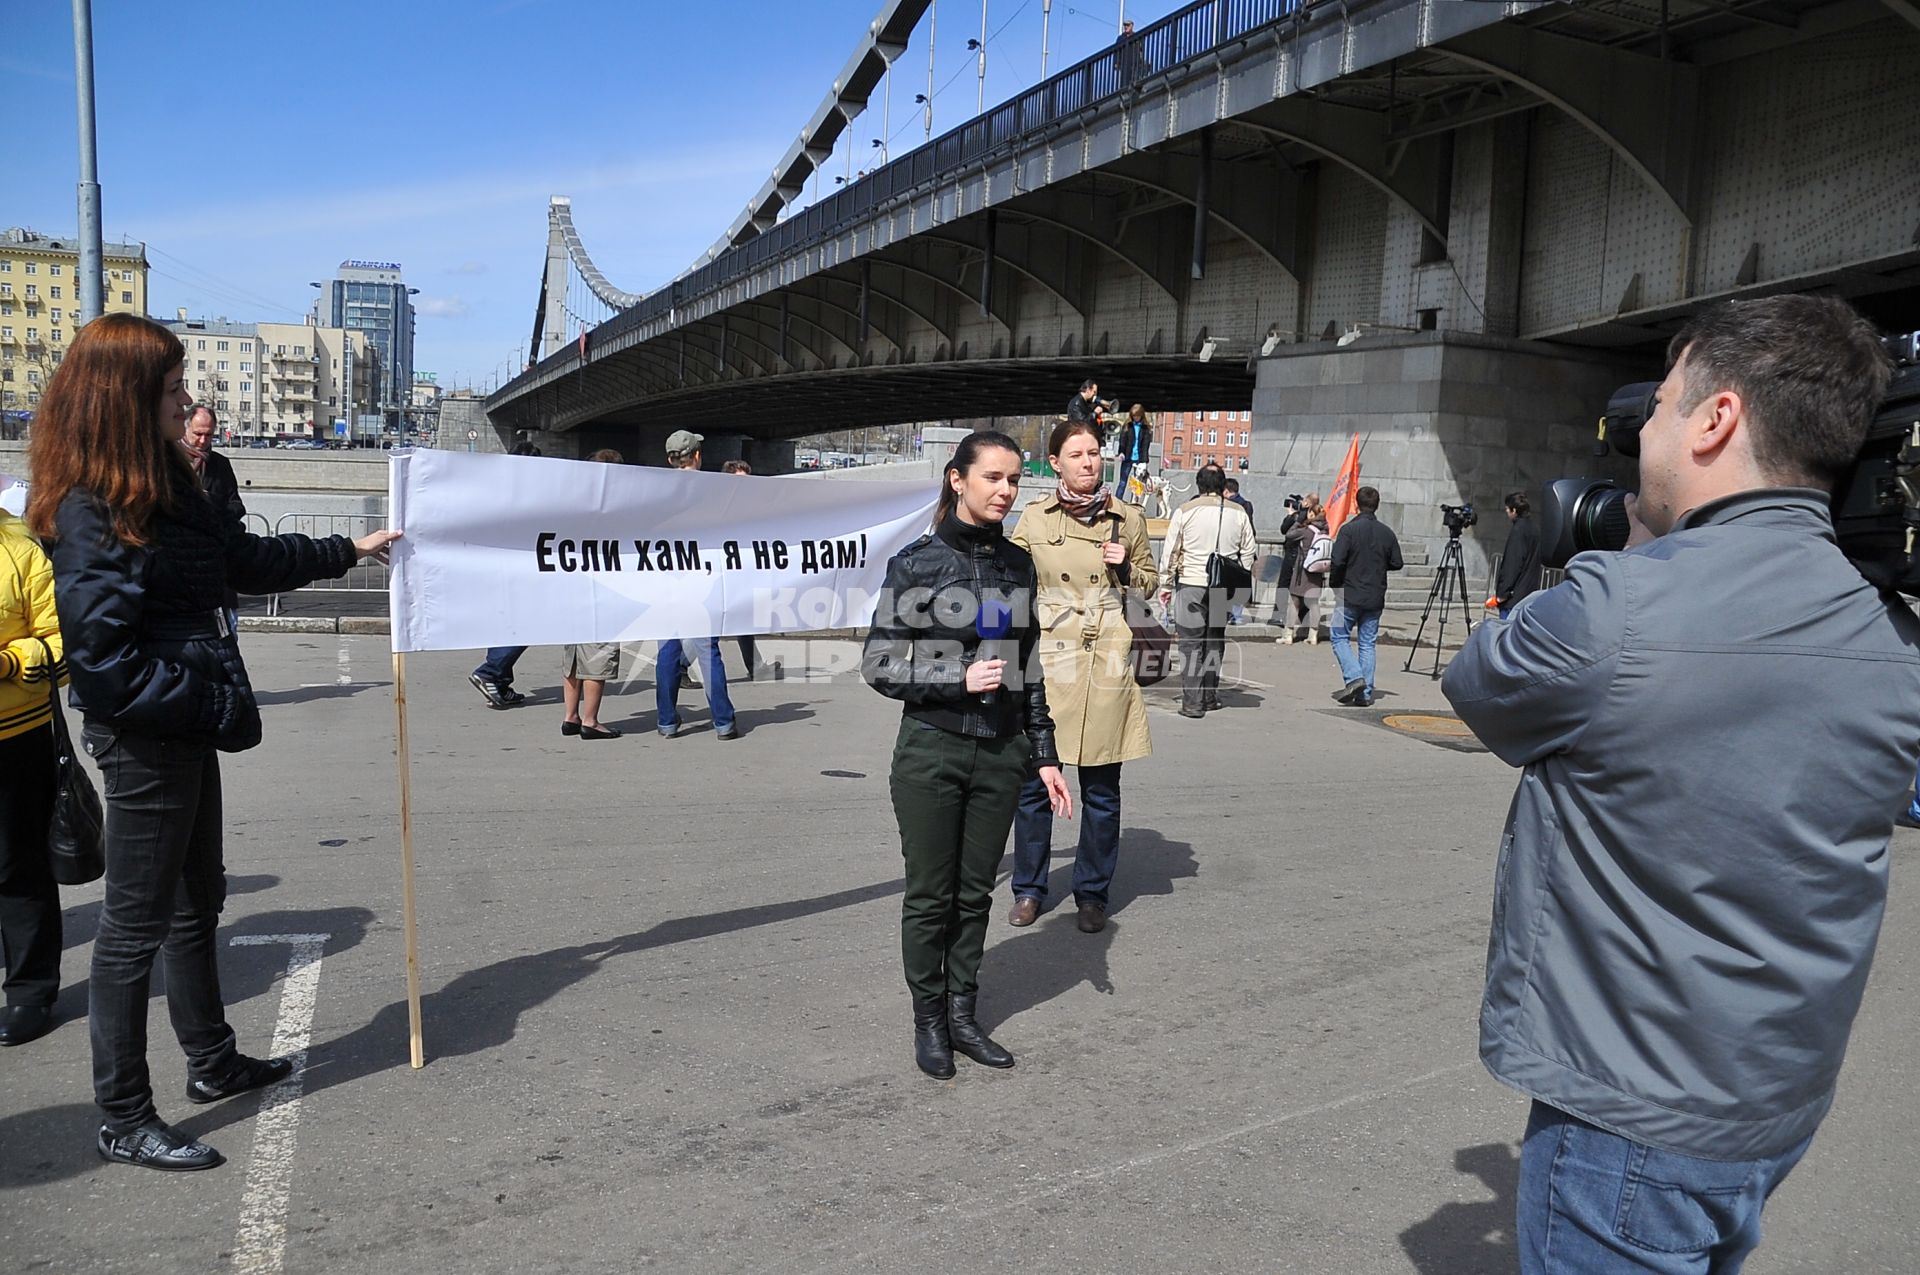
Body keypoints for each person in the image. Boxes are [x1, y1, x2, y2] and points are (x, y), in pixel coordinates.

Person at [1442, 294, 1920, 1273]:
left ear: (1715, 420)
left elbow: (1481, 681)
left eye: (1658, 405)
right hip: (1776, 1096)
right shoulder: (1890, 632)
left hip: (1634, 1111)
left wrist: (1634, 543)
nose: (1641, 431)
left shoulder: (1619, 609)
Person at [28, 313, 399, 1172]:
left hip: (185, 724)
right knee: (132, 930)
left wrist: (352, 547)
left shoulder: (165, 484)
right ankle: (122, 1114)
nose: (188, 400)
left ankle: (211, 1059)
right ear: (124, 399)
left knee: (198, 903)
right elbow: (102, 668)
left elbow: (244, 558)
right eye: (171, 388)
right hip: (150, 736)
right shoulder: (96, 506)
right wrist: (199, 697)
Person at [863, 430, 1072, 1078]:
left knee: (975, 893)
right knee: (932, 893)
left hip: (1002, 753)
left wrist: (1043, 752)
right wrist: (955, 679)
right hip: (932, 749)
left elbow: (1030, 665)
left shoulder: (1016, 564)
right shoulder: (917, 563)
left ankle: (962, 1013)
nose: (1006, 490)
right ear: (958, 479)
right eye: (994, 478)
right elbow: (878, 662)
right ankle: (928, 1020)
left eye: (1014, 479)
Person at [1008, 419, 1157, 935]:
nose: (1089, 462)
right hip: (1051, 657)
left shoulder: (1127, 517)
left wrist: (1126, 568)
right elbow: (1012, 583)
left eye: (1094, 452)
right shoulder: (1033, 517)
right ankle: (1028, 888)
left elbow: (1150, 585)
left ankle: (1091, 892)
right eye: (1077, 454)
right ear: (1056, 463)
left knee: (1101, 788)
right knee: (1034, 787)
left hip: (1107, 657)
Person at [0, 505, 65, 1047]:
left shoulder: (20, 547)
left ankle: (30, 989)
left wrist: (8, 663)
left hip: (14, 735)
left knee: (17, 865)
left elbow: (62, 647)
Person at [657, 430, 737, 739]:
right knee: (707, 650)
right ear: (698, 456)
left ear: (670, 459)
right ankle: (723, 721)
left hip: (667, 577)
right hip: (704, 577)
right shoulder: (713, 491)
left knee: (667, 649)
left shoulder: (657, 492)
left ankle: (666, 721)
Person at [1158, 464, 1255, 718]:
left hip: (1191, 583)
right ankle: (1210, 696)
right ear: (1224, 486)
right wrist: (1237, 578)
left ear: (1198, 485)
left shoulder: (1185, 511)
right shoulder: (1239, 513)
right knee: (1214, 640)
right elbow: (1248, 552)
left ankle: (1193, 702)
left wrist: (1165, 584)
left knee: (1190, 644)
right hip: (1222, 586)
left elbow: (1171, 552)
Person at [470, 439, 547, 708]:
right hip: (523, 566)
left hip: (497, 565)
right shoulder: (534, 495)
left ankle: (499, 682)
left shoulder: (498, 489)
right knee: (529, 622)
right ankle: (491, 672)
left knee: (505, 620)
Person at [1327, 486, 1402, 707]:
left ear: (1356, 503)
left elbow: (1338, 560)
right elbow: (1397, 562)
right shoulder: (1386, 532)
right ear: (1377, 505)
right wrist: (1378, 563)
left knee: (1338, 636)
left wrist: (1335, 583)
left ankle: (1354, 677)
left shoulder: (1348, 530)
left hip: (1349, 595)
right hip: (1375, 596)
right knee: (1367, 643)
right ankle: (1365, 694)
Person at [182, 405, 244, 628]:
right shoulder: (168, 462)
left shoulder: (220, 465)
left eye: (208, 435)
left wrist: (213, 508)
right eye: (198, 434)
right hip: (180, 572)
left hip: (217, 566)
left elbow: (236, 506)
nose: (202, 441)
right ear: (185, 429)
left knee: (228, 634)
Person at [721, 460, 758, 678]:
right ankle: (681, 663)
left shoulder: (747, 506)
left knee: (745, 616)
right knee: (716, 625)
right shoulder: (723, 506)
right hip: (727, 571)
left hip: (742, 569)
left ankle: (755, 666)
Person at [1282, 494, 1328, 642]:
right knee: (1313, 602)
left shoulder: (1306, 530)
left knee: (1294, 601)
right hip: (1317, 572)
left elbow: (1289, 534)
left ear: (1312, 514)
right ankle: (1313, 635)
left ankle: (1288, 634)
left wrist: (1298, 520)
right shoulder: (1325, 531)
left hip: (1302, 570)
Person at [1489, 491, 1541, 618]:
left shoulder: (1519, 530)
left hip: (1514, 598)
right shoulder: (1534, 528)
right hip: (1528, 593)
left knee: (1506, 633)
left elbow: (1512, 564)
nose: (1506, 512)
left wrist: (1502, 594)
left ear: (1514, 510)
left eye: (1507, 509)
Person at [1115, 404, 1153, 499]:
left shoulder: (1145, 428)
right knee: (1123, 481)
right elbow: (1122, 441)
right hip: (1127, 458)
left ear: (1141, 415)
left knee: (1137, 483)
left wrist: (1144, 461)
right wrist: (1121, 452)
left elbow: (1145, 446)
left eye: (1137, 416)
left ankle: (1134, 502)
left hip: (1139, 459)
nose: (1136, 418)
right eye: (1134, 416)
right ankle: (1118, 500)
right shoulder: (1127, 426)